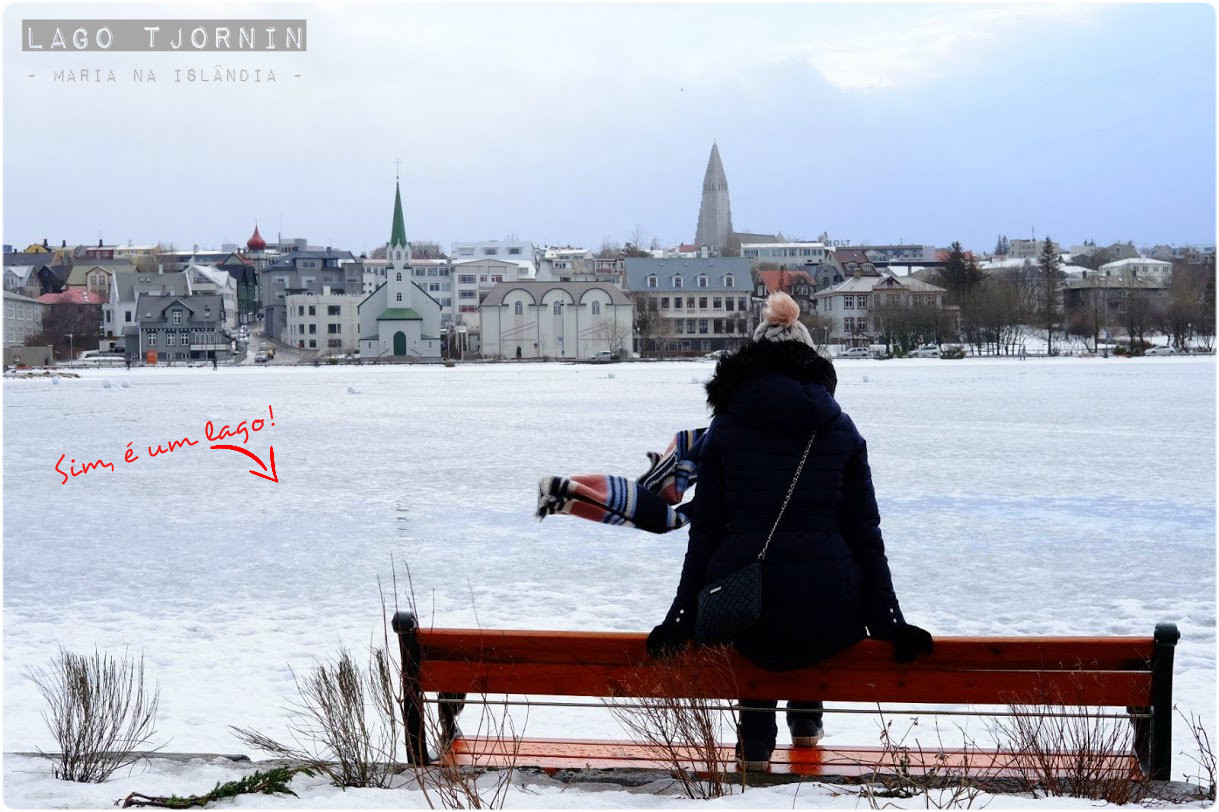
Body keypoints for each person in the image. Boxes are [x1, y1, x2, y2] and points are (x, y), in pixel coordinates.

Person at [646, 291, 933, 771]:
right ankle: (807, 722)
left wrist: (681, 616)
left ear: (749, 364)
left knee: (753, 614)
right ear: (813, 363)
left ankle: (755, 742)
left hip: (744, 596)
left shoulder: (726, 430)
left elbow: (707, 530)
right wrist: (887, 620)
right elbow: (865, 530)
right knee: (813, 603)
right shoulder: (840, 428)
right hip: (829, 601)